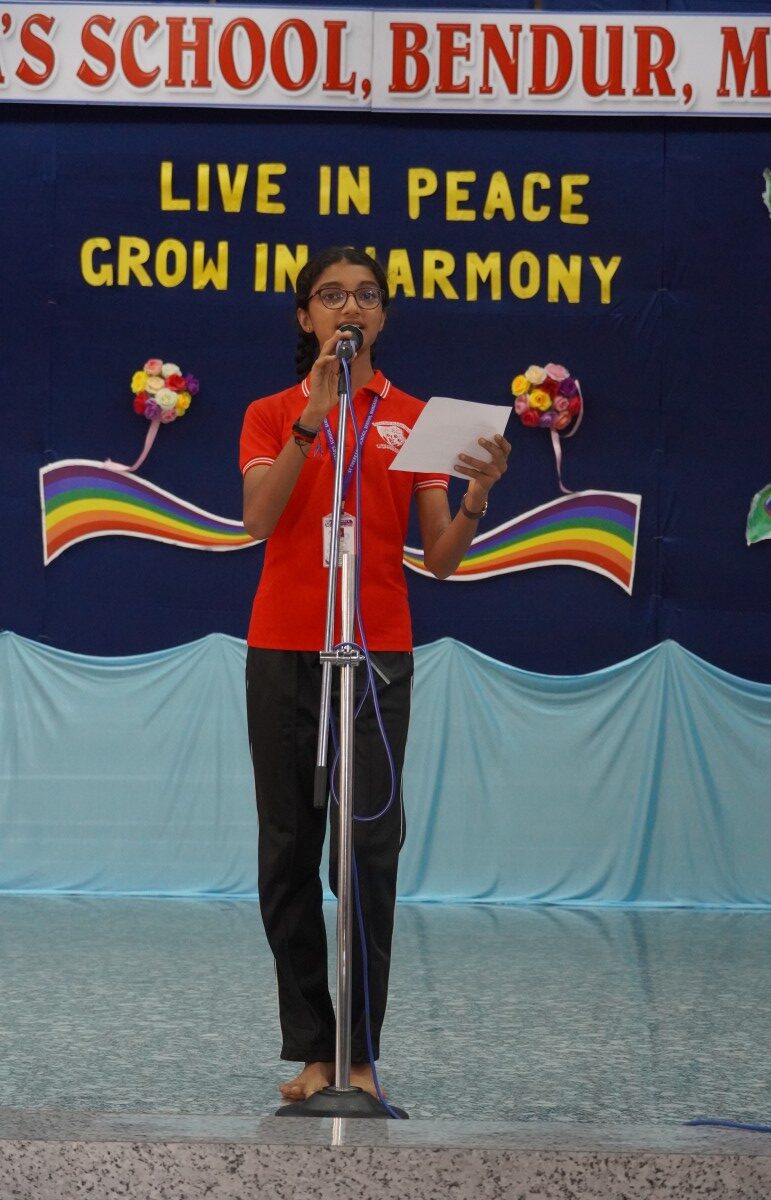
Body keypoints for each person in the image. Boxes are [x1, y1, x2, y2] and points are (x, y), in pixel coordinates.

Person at [240, 245, 510, 1103]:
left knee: (366, 853)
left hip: (376, 652)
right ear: (305, 316)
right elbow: (257, 520)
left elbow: (441, 558)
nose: (349, 307)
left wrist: (475, 498)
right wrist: (311, 420)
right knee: (288, 850)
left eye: (365, 295)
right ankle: (311, 1050)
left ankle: (357, 1053)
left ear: (384, 316)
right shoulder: (271, 412)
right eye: (331, 295)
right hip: (285, 647)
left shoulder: (414, 419)